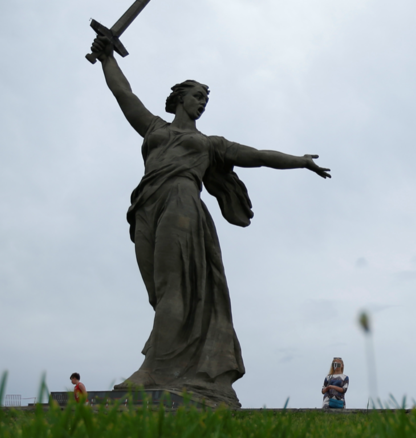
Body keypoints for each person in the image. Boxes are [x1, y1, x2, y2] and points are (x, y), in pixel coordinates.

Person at [89, 34, 331, 407]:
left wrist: (299, 160)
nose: (202, 102)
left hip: (182, 202)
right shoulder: (154, 128)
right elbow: (125, 95)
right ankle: (175, 364)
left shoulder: (210, 144)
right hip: (145, 206)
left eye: (206, 98)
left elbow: (258, 155)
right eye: (198, 95)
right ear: (179, 99)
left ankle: (151, 369)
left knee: (173, 287)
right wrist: (107, 58)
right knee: (159, 293)